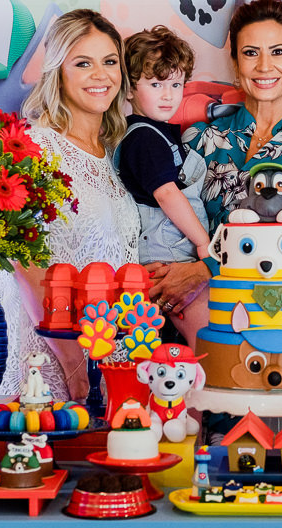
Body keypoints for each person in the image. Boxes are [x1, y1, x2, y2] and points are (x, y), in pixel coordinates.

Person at [163, 0, 282, 315]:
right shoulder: (202, 137)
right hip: (204, 311)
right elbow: (175, 226)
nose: (265, 66)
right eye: (251, 53)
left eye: (278, 52)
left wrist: (206, 267)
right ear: (236, 64)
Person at [0, 9, 141, 400]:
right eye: (83, 63)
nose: (101, 75)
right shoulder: (37, 148)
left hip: (107, 360)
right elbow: (24, 264)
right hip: (50, 363)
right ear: (58, 72)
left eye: (110, 62)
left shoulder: (108, 153)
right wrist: (76, 367)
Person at [115, 26, 212, 345]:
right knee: (207, 341)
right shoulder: (143, 138)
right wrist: (203, 243)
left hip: (173, 251)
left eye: (176, 83)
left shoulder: (159, 133)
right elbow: (167, 193)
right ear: (129, 89)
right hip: (171, 257)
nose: (168, 94)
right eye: (156, 84)